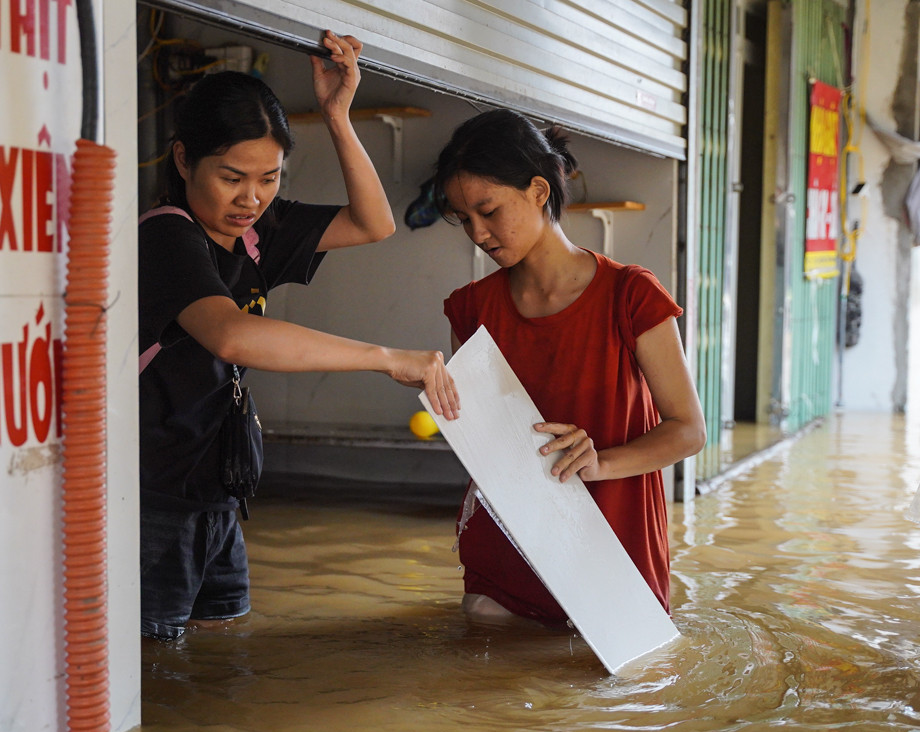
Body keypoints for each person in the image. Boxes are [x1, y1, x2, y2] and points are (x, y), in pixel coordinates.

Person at [138, 32, 460, 641]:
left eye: (269, 178)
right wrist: (383, 357)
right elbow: (232, 336)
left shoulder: (259, 232)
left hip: (217, 498)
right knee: (154, 665)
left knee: (217, 658)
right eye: (232, 177)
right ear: (183, 160)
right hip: (152, 501)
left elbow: (374, 223)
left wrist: (337, 116)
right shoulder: (165, 238)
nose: (251, 199)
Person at [432, 109, 706, 626]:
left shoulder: (631, 295)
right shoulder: (470, 309)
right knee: (483, 635)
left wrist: (600, 463)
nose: (478, 233)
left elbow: (688, 431)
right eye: (464, 219)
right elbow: (488, 443)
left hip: (616, 552)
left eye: (489, 211)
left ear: (539, 190)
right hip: (508, 561)